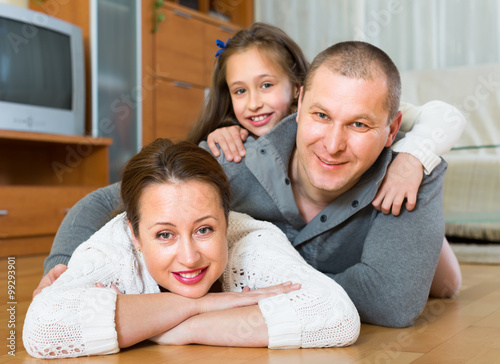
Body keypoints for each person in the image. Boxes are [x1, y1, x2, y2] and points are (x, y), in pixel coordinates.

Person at [23, 138, 360, 359]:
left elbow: (337, 316)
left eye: (204, 229)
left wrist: (175, 328)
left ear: (226, 223)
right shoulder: (112, 249)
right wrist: (204, 305)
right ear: (135, 236)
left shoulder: (252, 238)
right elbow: (41, 328)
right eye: (165, 235)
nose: (189, 257)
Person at [191, 22, 462, 296]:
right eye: (240, 91)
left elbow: (444, 116)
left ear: (297, 90)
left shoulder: (349, 96)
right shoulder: (231, 146)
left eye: (266, 85)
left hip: (415, 226)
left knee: (447, 285)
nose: (254, 103)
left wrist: (413, 155)